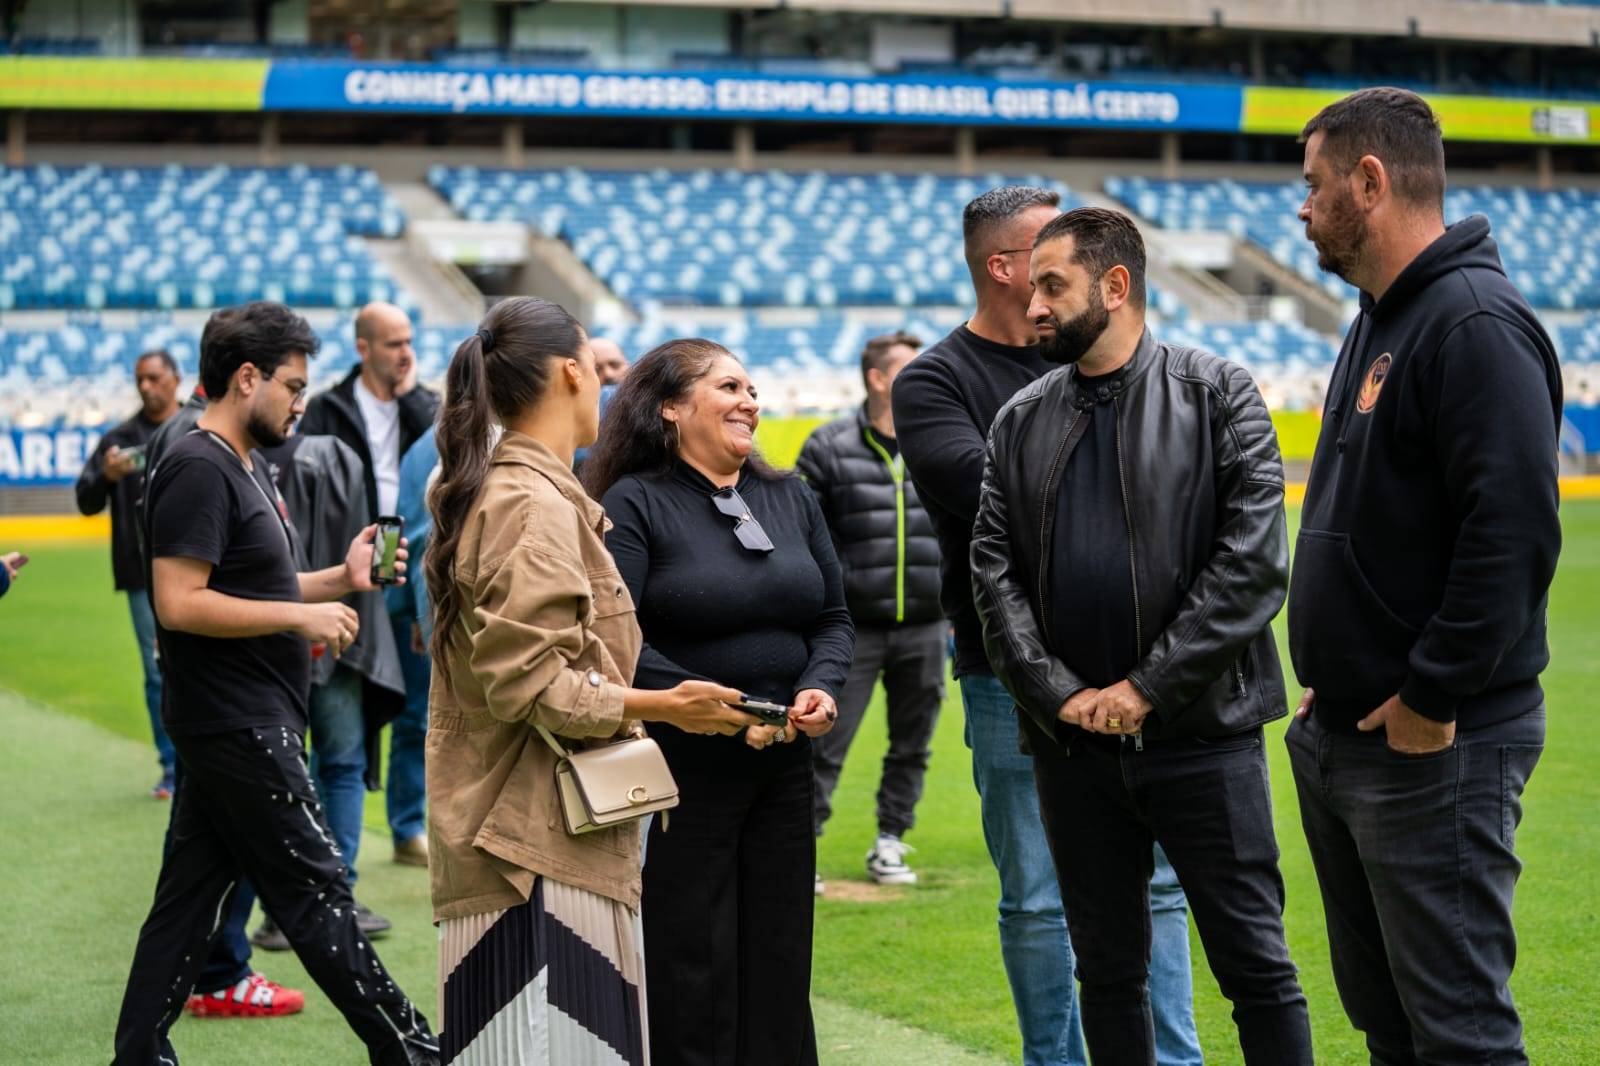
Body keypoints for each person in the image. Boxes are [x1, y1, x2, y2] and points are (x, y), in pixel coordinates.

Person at [972, 208, 1313, 1065]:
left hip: (1205, 739)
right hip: (1075, 750)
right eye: (1033, 286)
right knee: (1107, 972)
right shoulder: (1018, 420)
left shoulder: (1217, 392)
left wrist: (1146, 688)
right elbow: (993, 577)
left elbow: (1253, 563)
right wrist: (1061, 697)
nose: (1034, 305)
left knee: (1256, 968)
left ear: (1115, 286)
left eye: (1053, 286)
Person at [892, 186, 1200, 1066]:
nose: (1072, 252)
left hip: (1142, 667)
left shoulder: (1108, 358)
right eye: (1050, 247)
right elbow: (999, 501)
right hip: (1010, 675)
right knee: (1037, 897)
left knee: (1161, 886)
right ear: (1005, 267)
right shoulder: (934, 381)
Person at [1289, 88, 1563, 1065]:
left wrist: (1430, 693)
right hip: (1345, 730)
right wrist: (1338, 668)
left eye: (1314, 183)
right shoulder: (1378, 317)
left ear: (1370, 181)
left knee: (1459, 1036)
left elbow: (1513, 532)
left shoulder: (1473, 322)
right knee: (1390, 1026)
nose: (1302, 206)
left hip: (1432, 746)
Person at [424, 298, 760, 1064]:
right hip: (532, 856)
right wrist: (668, 706)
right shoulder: (529, 504)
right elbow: (532, 686)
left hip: (544, 844)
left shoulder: (535, 494)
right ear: (573, 372)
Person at [112, 301, 438, 1066]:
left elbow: (258, 582)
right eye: (292, 386)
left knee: (186, 906)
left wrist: (338, 578)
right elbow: (179, 602)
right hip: (239, 722)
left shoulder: (242, 462)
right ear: (247, 378)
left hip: (239, 720)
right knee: (319, 894)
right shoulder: (197, 464)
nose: (300, 402)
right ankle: (418, 1053)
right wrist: (300, 617)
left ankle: (138, 1056)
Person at [583, 339, 851, 1066]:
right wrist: (708, 705)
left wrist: (819, 686)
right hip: (682, 771)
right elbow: (615, 636)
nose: (749, 402)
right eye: (729, 387)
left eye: (752, 389)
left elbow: (832, 618)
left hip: (783, 767)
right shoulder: (633, 502)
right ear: (670, 407)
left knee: (781, 951)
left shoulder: (789, 494)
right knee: (691, 955)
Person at [249, 428, 409, 950]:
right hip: (328, 634)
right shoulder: (331, 455)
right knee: (334, 767)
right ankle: (335, 899)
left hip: (272, 641)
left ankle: (285, 910)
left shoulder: (236, 459)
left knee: (279, 775)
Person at [796, 331, 944, 891]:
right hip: (851, 630)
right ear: (878, 379)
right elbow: (805, 539)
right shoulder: (828, 446)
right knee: (824, 743)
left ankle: (890, 842)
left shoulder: (939, 441)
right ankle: (802, 846)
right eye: (910, 368)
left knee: (913, 745)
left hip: (927, 625)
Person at [300, 302, 439, 867]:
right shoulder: (326, 409)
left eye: (409, 341)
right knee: (340, 704)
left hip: (403, 553)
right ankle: (325, 835)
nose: (405, 353)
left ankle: (407, 827)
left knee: (415, 706)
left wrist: (412, 401)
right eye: (393, 343)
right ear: (363, 349)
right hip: (349, 559)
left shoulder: (425, 408)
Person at [76, 349, 183, 797]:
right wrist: (106, 476)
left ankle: (203, 764)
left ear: (176, 379)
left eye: (154, 377)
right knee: (158, 670)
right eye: (140, 379)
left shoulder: (198, 427)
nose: (145, 386)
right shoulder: (119, 439)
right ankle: (172, 766)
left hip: (202, 563)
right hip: (142, 574)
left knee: (205, 667)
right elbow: (85, 501)